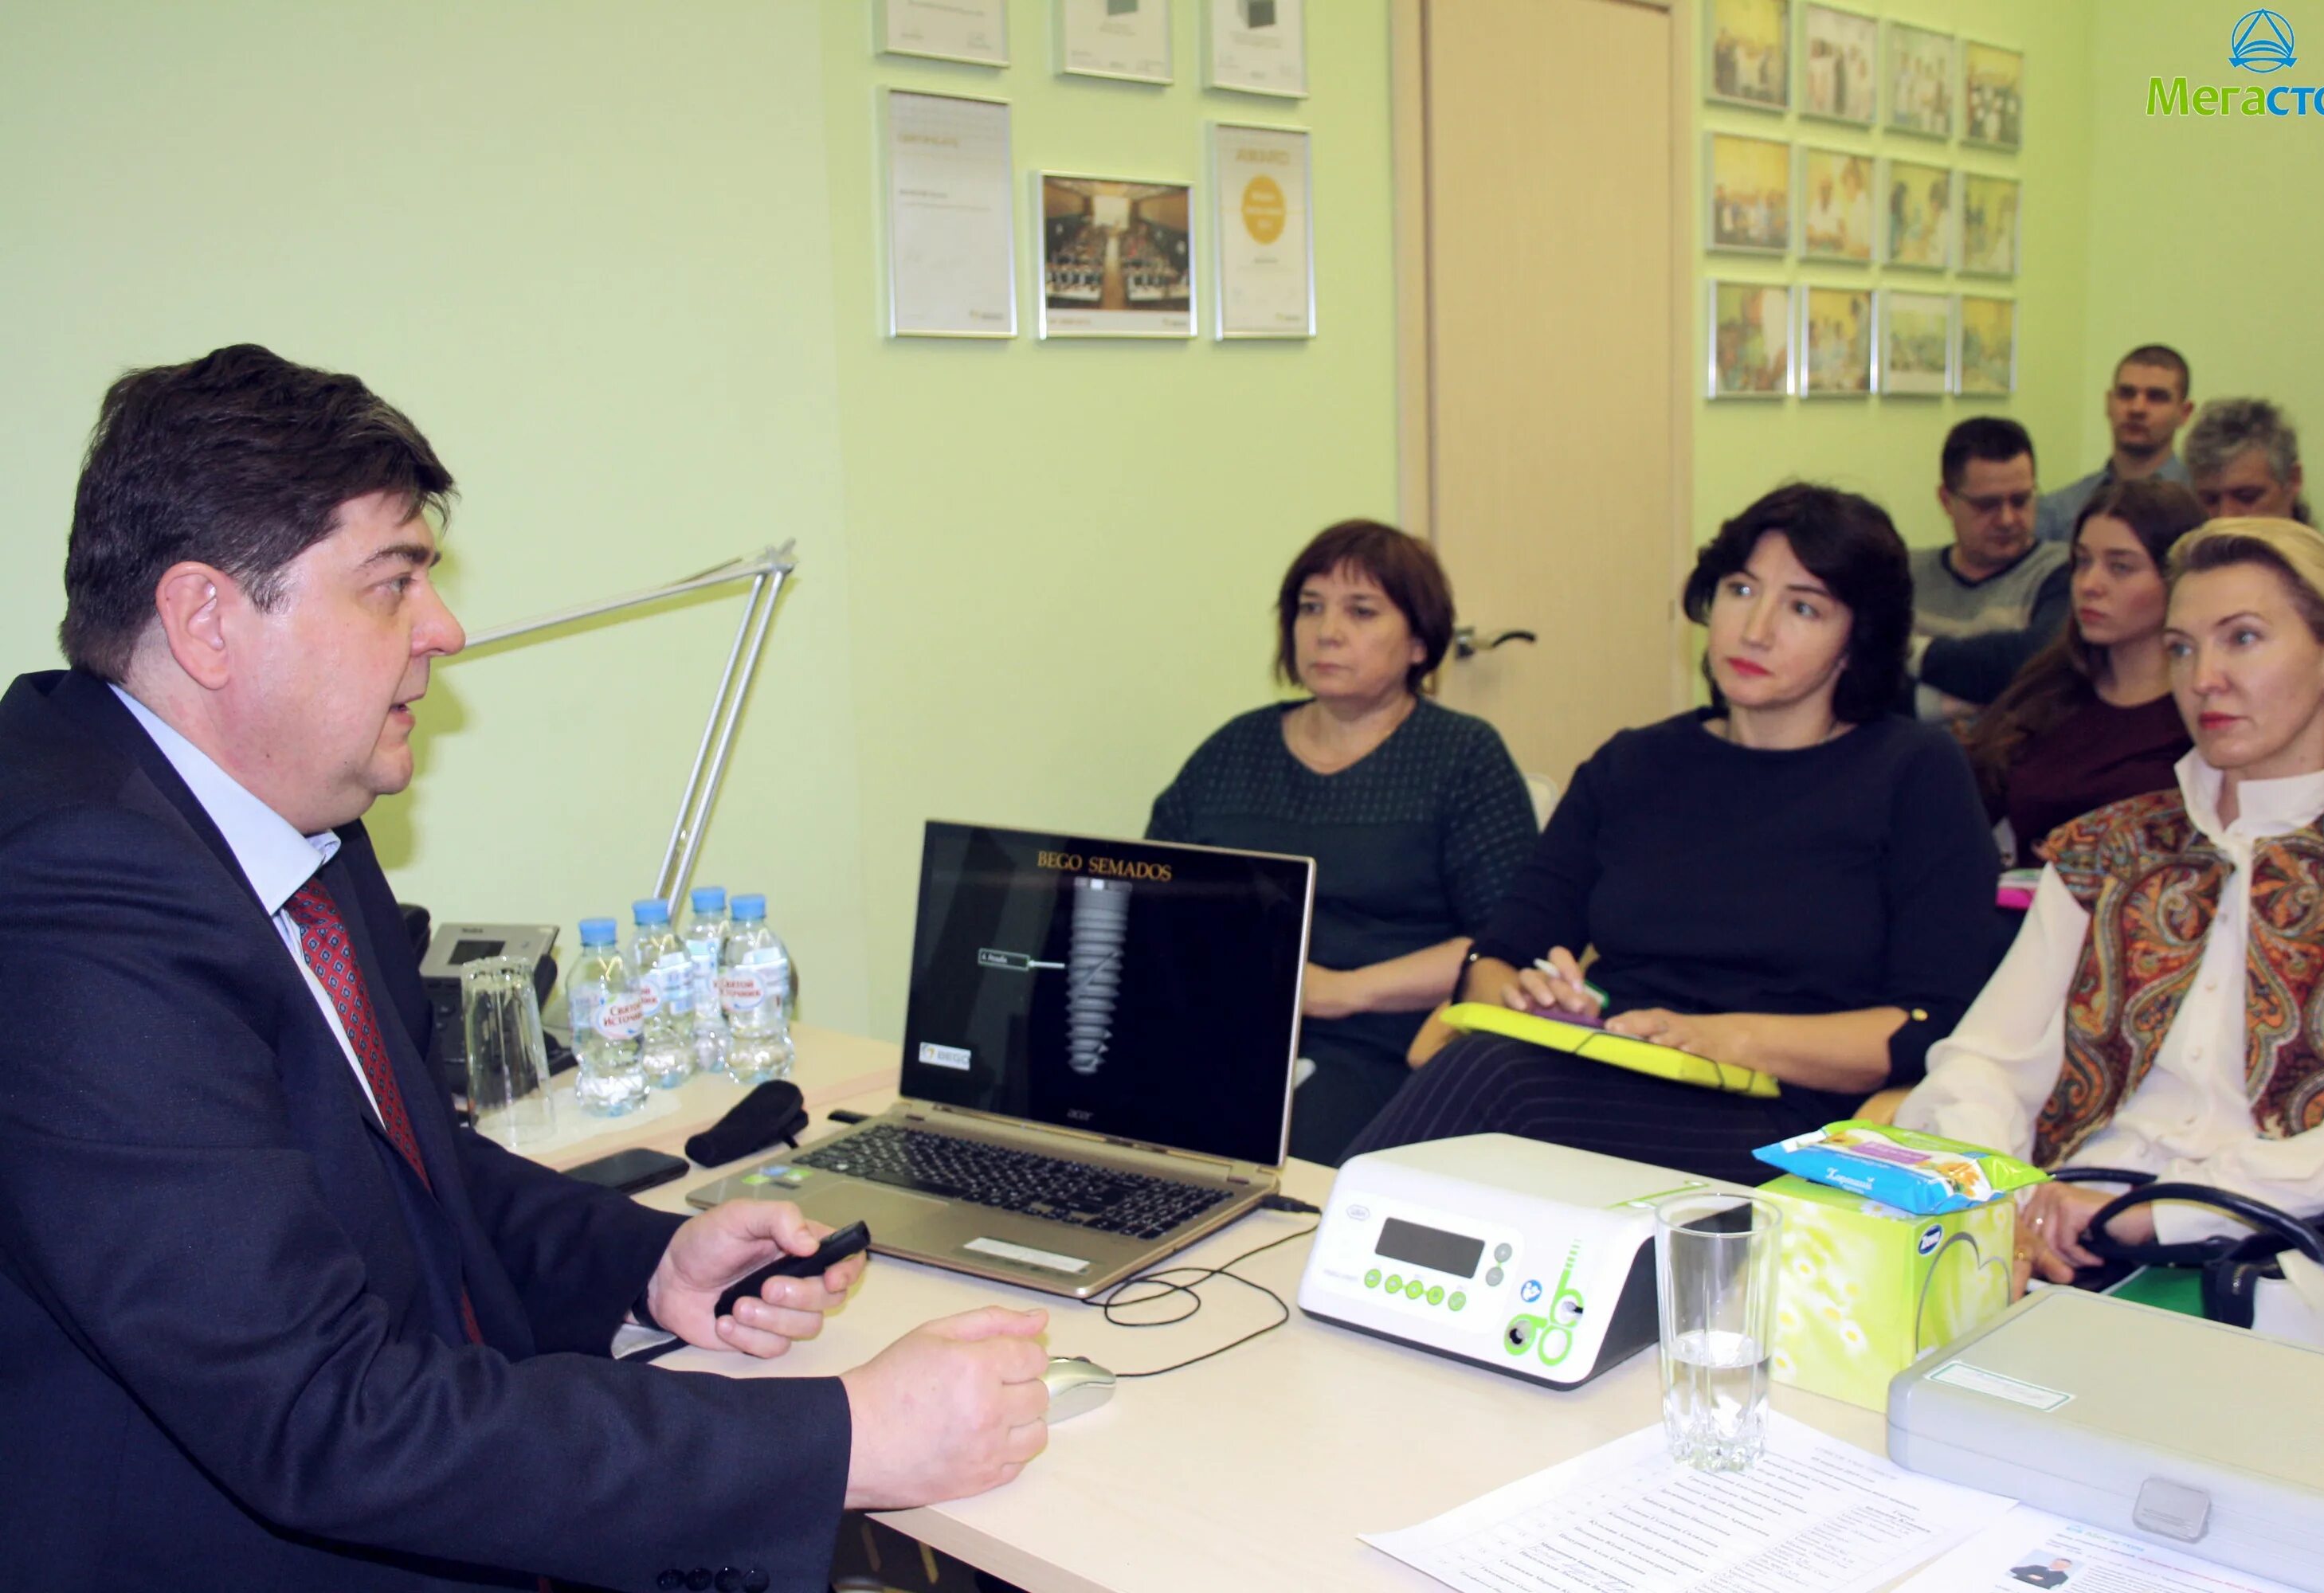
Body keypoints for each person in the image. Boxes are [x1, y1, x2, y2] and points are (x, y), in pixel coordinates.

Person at [0, 346, 1052, 1591]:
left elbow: (405, 1173)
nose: (442, 631)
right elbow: (325, 1414)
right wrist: (851, 1438)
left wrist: (645, 1263)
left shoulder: (294, 816)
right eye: (391, 584)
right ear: (208, 620)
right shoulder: (70, 893)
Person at [1345, 484, 2001, 1185]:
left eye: (1804, 607)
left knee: (1500, 1086)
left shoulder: (1914, 771)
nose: (1756, 629)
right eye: (1741, 590)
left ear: (1856, 639)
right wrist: (1539, 1004)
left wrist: (1725, 1036)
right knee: (1496, 1072)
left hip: (1794, 1110)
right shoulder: (1634, 764)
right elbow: (1496, 957)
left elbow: (1933, 1021)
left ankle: (1314, 1262)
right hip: (1613, 1068)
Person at [1899, 518, 2324, 1283]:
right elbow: (1983, 1062)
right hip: (2059, 1232)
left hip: (2287, 1255)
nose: (2204, 678)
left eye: (2244, 639)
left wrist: (2165, 1214)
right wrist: (2003, 1195)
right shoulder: (2108, 848)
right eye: (2183, 647)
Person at [1147, 520, 1536, 1164]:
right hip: (1229, 1022)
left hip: (1385, 1038)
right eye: (1310, 608)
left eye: (1361, 611)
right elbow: (1157, 892)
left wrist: (1343, 990)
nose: (1327, 631)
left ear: (1418, 641)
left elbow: (1503, 945)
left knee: (1276, 1153)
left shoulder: (1463, 757)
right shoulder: (1234, 750)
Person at [1961, 480, 2206, 863]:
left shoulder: (2204, 707)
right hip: (2026, 913)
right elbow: (1963, 809)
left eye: (2120, 567)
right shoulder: (2048, 690)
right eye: (2083, 562)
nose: (2090, 585)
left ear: (2175, 579)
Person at [2184, 397, 2324, 645]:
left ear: (2292, 481)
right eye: (2210, 499)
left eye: (2247, 496)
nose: (2226, 515)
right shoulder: (2182, 579)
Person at [1911, 418, 2071, 725]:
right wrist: (1940, 706)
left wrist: (1912, 653)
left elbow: (2036, 665)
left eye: (2021, 500)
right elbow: (1861, 680)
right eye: (1987, 505)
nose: (2008, 519)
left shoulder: (2063, 571)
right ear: (1946, 500)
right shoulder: (1906, 573)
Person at [2034, 346, 2197, 545]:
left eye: (2156, 397)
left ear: (2185, 413)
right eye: (2126, 394)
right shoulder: (2059, 511)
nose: (2137, 408)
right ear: (2108, 403)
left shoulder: (2204, 502)